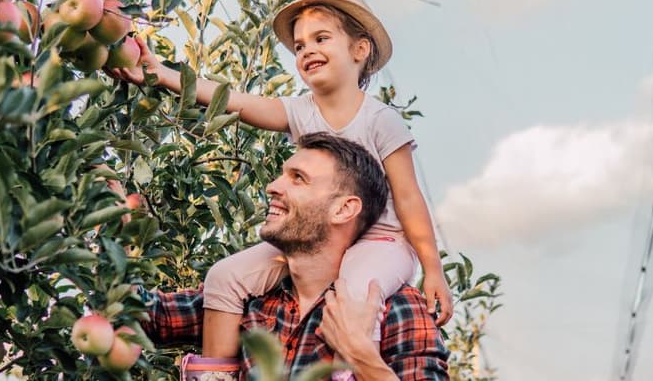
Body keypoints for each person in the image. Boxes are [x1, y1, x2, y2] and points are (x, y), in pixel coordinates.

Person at [108, 0, 454, 362]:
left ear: (359, 49)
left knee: (356, 291)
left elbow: (407, 196)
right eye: (300, 45)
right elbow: (234, 101)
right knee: (224, 277)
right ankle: (214, 373)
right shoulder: (301, 111)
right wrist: (162, 75)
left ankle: (350, 370)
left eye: (321, 38)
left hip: (382, 242)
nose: (307, 50)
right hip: (321, 238)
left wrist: (431, 269)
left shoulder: (381, 120)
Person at [139, 133, 449, 380]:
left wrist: (362, 358)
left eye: (297, 178)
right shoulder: (250, 299)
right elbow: (144, 312)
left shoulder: (394, 307)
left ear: (343, 209)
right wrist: (101, 212)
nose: (272, 187)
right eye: (281, 175)